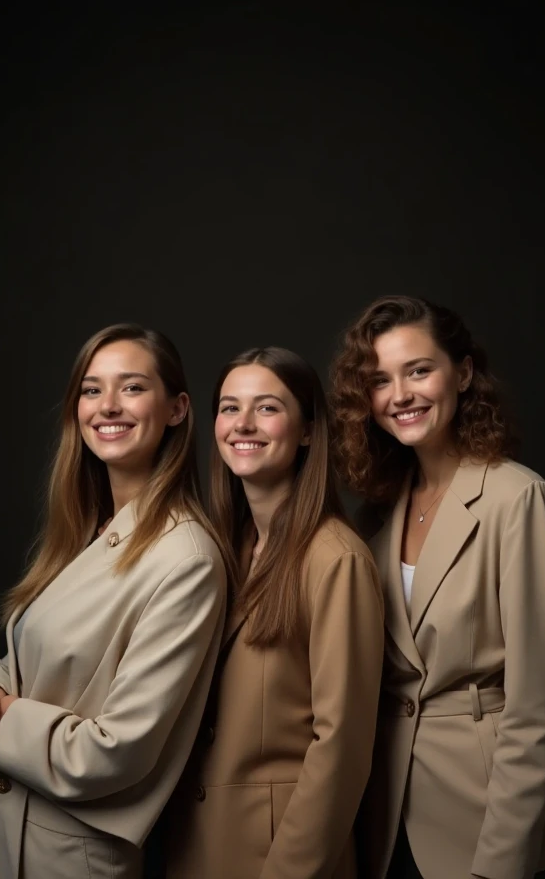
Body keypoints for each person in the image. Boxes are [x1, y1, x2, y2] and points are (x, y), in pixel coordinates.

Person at [0, 324, 230, 879]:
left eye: (131, 388)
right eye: (91, 389)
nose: (107, 406)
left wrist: (6, 719)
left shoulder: (188, 558)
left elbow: (118, 750)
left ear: (177, 409)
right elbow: (33, 657)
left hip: (65, 859)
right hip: (1, 838)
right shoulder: (87, 529)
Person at [329, 296, 545, 879]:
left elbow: (540, 702)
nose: (401, 395)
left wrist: (500, 861)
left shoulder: (518, 499)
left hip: (485, 816)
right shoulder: (376, 516)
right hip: (385, 819)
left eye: (419, 370)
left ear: (463, 373)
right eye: (379, 381)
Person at [165, 346, 385, 879]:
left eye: (267, 407)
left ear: (308, 430)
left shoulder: (337, 558)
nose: (243, 423)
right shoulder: (221, 551)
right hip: (197, 846)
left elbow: (342, 746)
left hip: (280, 857)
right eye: (228, 407)